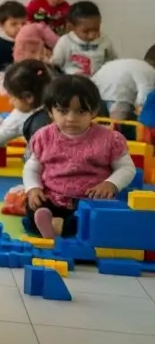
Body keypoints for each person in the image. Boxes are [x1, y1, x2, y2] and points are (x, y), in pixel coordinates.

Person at [23, 74, 136, 239]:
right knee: (32, 206)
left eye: (81, 111)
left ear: (94, 111)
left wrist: (110, 184)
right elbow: (32, 167)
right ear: (50, 111)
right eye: (63, 111)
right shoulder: (44, 137)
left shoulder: (109, 139)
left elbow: (126, 168)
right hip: (52, 196)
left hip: (90, 199)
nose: (71, 118)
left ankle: (58, 227)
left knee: (97, 219)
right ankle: (51, 223)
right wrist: (33, 188)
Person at [0, 60, 55, 150]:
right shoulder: (51, 105)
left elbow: (0, 135)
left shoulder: (26, 116)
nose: (10, 102)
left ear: (28, 98)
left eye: (12, 97)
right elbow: (5, 123)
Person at [91, 44, 155, 122]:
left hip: (96, 90)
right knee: (117, 126)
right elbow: (145, 93)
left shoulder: (135, 63)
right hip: (118, 96)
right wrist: (142, 110)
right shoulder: (150, 71)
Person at [51, 1, 117, 76]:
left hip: (99, 81)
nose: (92, 35)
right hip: (74, 83)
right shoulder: (65, 42)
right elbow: (55, 65)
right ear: (71, 27)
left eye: (96, 30)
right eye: (86, 32)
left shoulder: (105, 41)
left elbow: (114, 62)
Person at [0, 0, 27, 81]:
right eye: (14, 24)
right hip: (4, 80)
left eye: (24, 23)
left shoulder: (30, 40)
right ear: (2, 26)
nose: (21, 27)